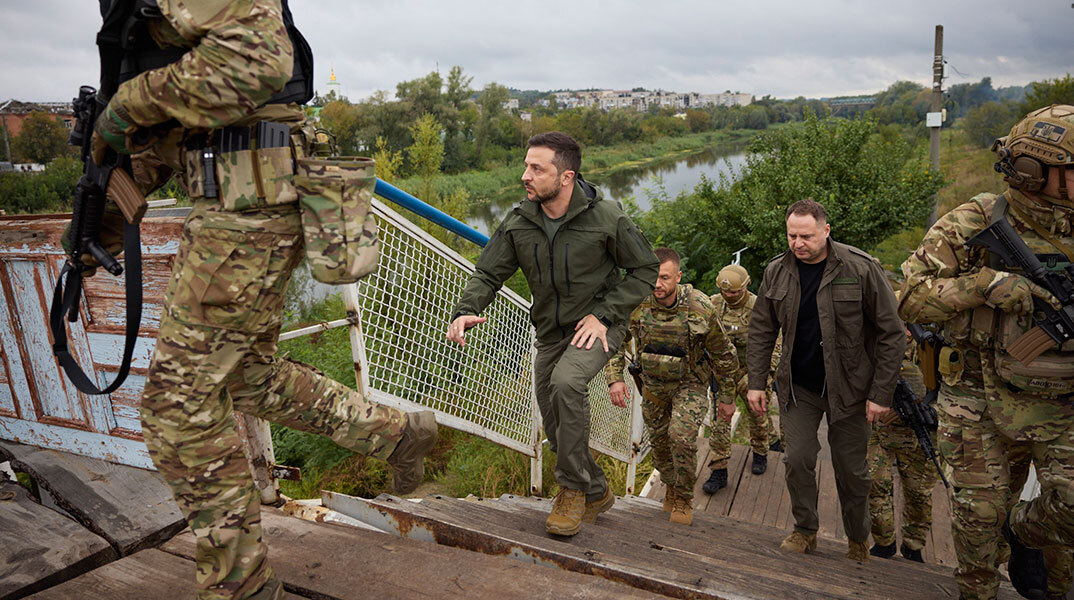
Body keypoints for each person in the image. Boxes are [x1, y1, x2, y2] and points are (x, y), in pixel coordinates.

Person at [89, 2, 438, 599]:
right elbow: (192, 122)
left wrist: (125, 106)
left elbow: (257, 58)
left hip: (247, 210)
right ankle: (398, 434)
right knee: (248, 379)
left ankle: (242, 587)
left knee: (177, 408)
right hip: (248, 199)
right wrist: (106, 191)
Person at [899, 104, 1074, 600]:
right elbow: (907, 296)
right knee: (977, 519)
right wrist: (981, 286)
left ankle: (1024, 534)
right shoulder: (976, 220)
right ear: (1033, 173)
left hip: (1064, 403)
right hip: (978, 399)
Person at [447, 131, 659, 537]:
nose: (525, 175)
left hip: (598, 326)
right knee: (553, 413)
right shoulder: (519, 221)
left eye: (536, 168)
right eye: (526, 165)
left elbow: (645, 270)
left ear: (566, 177)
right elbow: (489, 272)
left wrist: (604, 314)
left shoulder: (607, 217)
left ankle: (572, 490)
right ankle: (597, 489)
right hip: (549, 331)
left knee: (566, 385)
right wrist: (467, 309)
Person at [747, 198, 903, 562]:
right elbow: (761, 328)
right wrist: (757, 381)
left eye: (806, 236)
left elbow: (892, 332)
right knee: (797, 459)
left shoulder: (860, 268)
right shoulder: (776, 271)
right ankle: (805, 530)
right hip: (799, 386)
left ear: (826, 231)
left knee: (853, 472)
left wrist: (881, 393)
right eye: (791, 236)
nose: (798, 243)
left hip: (850, 389)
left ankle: (858, 538)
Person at [604, 248, 738, 525]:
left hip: (690, 384)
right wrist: (615, 379)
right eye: (653, 277)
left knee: (681, 437)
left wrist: (726, 397)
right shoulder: (638, 303)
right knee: (661, 445)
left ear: (678, 276)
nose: (657, 284)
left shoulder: (700, 307)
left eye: (665, 277)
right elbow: (615, 340)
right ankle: (671, 484)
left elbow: (724, 353)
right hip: (653, 386)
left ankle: (684, 498)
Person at [703, 264, 782, 494]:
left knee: (757, 415)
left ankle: (760, 452)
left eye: (735, 292)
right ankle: (718, 470)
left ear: (746, 286)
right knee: (719, 422)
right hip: (723, 373)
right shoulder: (713, 304)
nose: (730, 296)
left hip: (753, 371)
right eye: (726, 291)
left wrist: (767, 371)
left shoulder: (760, 306)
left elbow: (777, 338)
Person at [867, 309, 937, 563]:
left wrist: (923, 410)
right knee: (875, 484)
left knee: (918, 494)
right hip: (879, 430)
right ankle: (883, 543)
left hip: (919, 434)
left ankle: (913, 546)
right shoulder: (878, 342)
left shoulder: (934, 348)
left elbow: (954, 392)